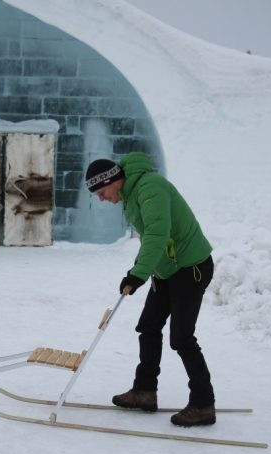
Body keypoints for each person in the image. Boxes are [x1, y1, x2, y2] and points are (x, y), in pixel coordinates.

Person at [85, 152, 216, 427]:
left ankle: (203, 404)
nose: (102, 198)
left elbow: (158, 233)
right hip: (168, 270)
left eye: (102, 191)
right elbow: (151, 240)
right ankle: (144, 392)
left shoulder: (150, 187)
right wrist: (140, 270)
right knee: (148, 326)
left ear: (114, 180)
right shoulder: (132, 194)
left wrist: (138, 274)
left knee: (182, 338)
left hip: (190, 267)